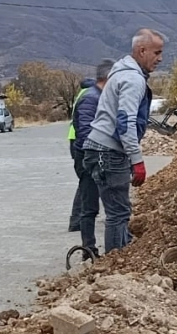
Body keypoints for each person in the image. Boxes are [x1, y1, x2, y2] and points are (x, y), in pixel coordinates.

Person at [82, 28, 164, 253]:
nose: (160, 58)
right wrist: (137, 160)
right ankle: (115, 269)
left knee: (117, 212)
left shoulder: (120, 73)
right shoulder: (133, 79)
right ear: (142, 50)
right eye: (157, 53)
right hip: (107, 151)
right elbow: (124, 122)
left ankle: (118, 261)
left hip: (99, 150)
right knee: (118, 214)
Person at [68, 61, 113, 236]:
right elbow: (86, 129)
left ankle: (78, 220)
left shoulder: (88, 93)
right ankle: (78, 223)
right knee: (87, 187)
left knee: (87, 187)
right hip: (83, 148)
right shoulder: (90, 97)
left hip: (80, 144)